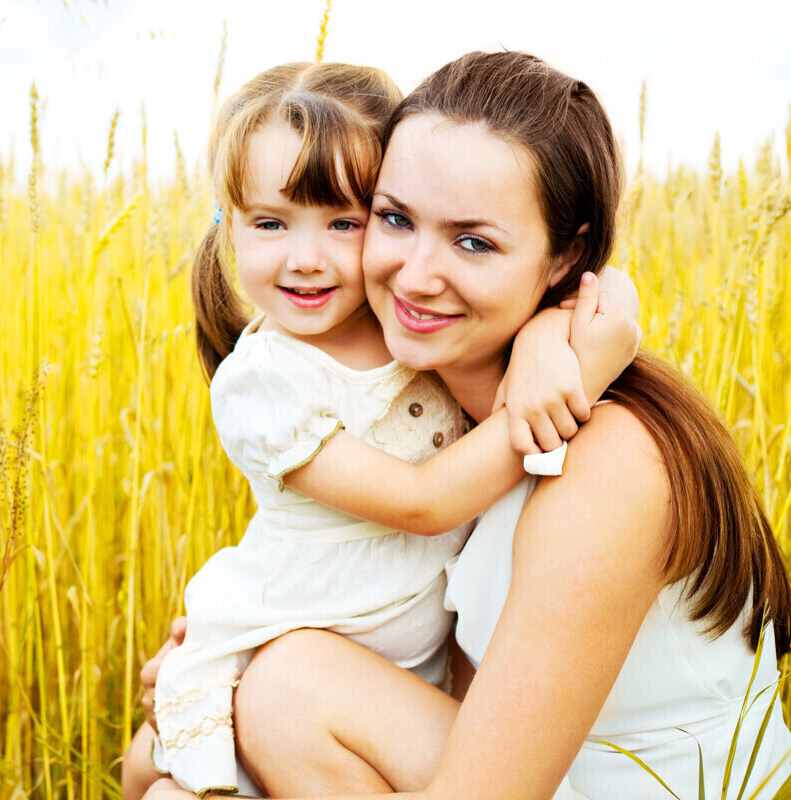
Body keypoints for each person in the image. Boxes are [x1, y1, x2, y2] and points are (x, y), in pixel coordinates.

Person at [137, 52, 791, 800]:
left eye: (474, 241)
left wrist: (567, 352)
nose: (417, 275)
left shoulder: (605, 462)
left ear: (565, 256)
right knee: (160, 768)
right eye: (394, 218)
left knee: (285, 692)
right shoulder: (441, 416)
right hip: (525, 768)